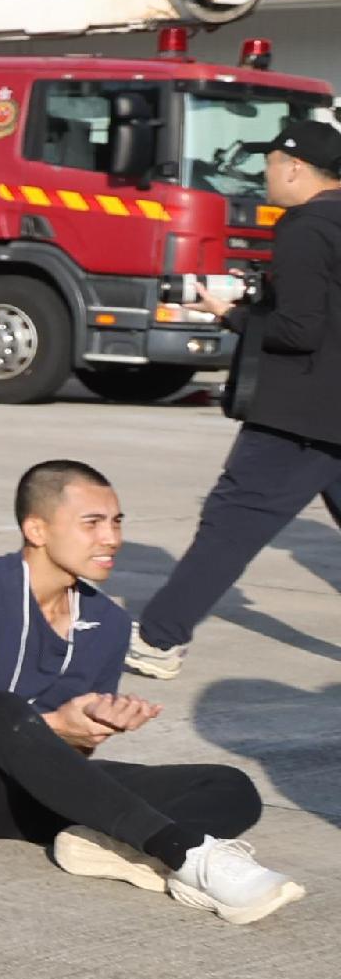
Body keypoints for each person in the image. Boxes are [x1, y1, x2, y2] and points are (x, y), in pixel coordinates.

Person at [0, 460, 299, 922]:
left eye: (117, 522)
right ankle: (186, 857)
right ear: (36, 529)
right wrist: (53, 724)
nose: (112, 538)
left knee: (229, 787)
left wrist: (89, 730)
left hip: (31, 802)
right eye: (92, 523)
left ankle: (107, 848)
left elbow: (67, 767)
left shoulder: (109, 623)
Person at [134, 114, 341, 690]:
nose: (265, 175)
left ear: (294, 167)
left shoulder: (304, 227)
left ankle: (158, 638)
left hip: (300, 415)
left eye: (270, 164)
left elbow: (299, 331)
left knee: (232, 524)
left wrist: (232, 314)